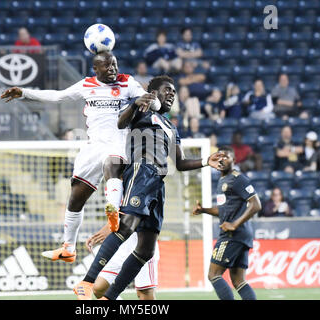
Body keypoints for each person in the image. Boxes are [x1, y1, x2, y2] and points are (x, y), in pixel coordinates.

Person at [72, 75, 222, 300]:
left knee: (145, 250)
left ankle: (108, 298)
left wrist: (205, 161)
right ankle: (87, 281)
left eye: (173, 91)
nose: (171, 94)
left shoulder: (171, 127)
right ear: (153, 92)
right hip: (141, 170)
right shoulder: (142, 111)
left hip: (158, 184)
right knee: (126, 226)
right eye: (166, 90)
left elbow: (179, 163)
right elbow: (121, 123)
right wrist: (135, 103)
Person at [1, 51, 151, 263]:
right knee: (75, 198)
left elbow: (151, 102)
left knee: (113, 163)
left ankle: (113, 214)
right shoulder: (86, 85)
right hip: (92, 147)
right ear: (95, 69)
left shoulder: (128, 82)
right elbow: (58, 96)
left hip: (118, 142)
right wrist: (24, 92)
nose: (112, 69)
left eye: (114, 65)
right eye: (107, 66)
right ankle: (68, 248)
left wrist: (149, 101)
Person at [192, 146, 261, 300]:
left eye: (227, 157)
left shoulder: (238, 179)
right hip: (240, 235)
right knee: (239, 281)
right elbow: (224, 210)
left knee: (213, 275)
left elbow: (256, 204)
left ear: (234, 160)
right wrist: (204, 210)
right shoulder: (223, 180)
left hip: (233, 234)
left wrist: (234, 224)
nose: (222, 159)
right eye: (219, 156)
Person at [86, 223, 159, 300]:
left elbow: (137, 214)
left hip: (144, 242)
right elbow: (118, 214)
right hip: (122, 243)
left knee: (144, 292)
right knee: (99, 287)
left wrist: (110, 227)